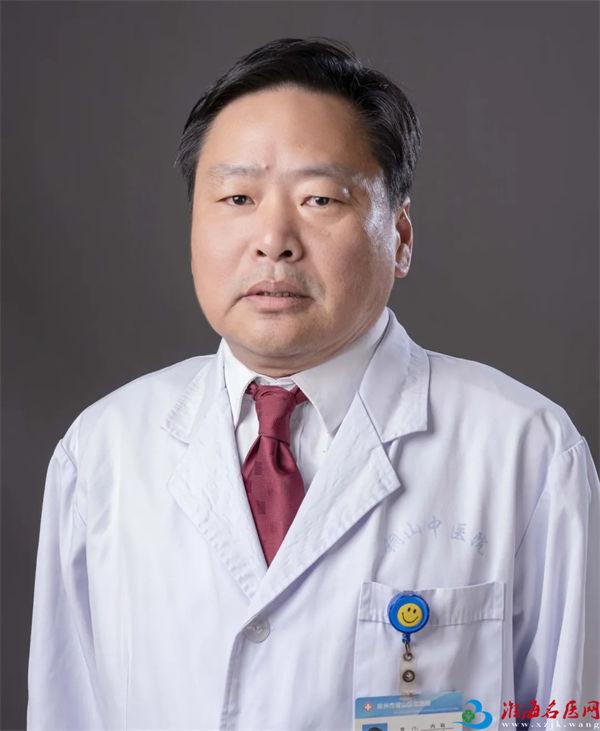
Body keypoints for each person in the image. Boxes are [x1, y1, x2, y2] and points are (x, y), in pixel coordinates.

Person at [27, 37, 599, 731]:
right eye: (237, 197)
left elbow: (573, 710)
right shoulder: (102, 451)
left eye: (320, 198)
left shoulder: (526, 452)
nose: (274, 238)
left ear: (401, 235)